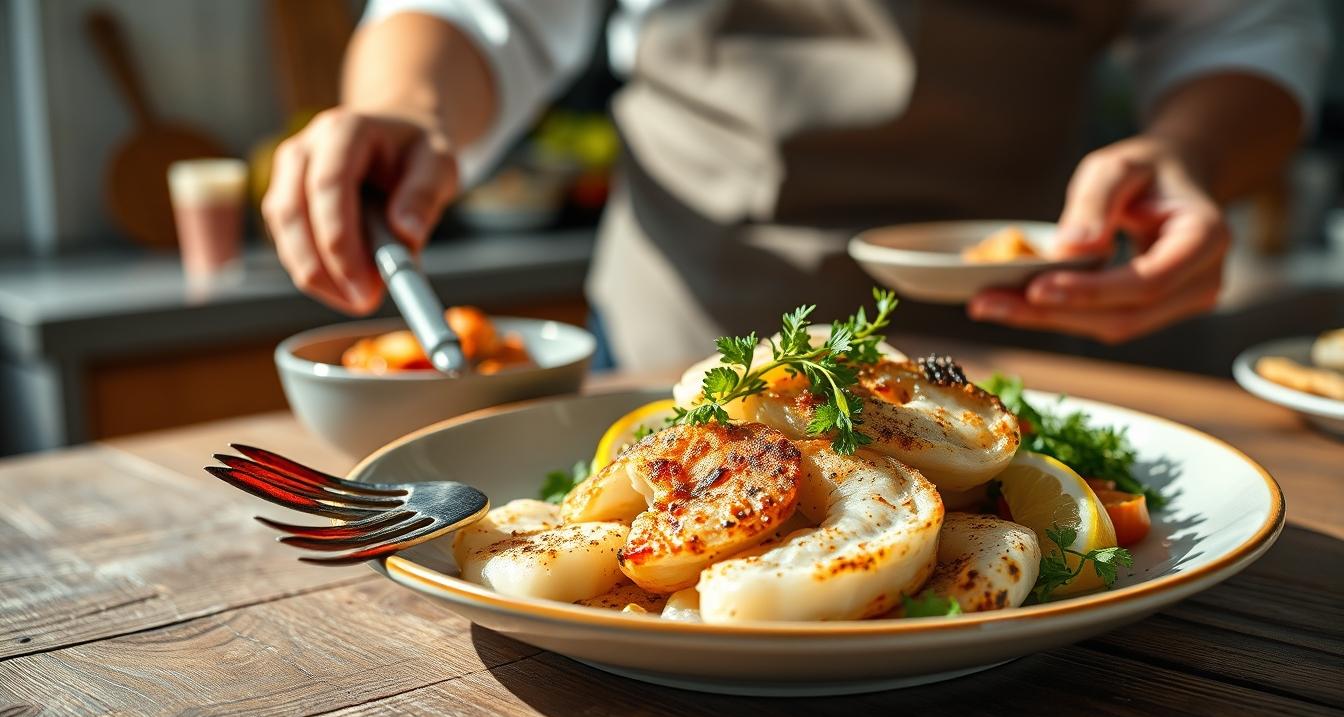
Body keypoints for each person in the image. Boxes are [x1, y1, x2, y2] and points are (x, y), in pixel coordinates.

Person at [262, 0, 1330, 370]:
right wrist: (405, 114)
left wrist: (1191, 157)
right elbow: (479, 10)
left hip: (1032, 326)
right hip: (685, 318)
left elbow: (1244, 26)